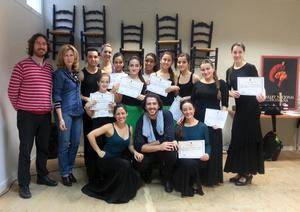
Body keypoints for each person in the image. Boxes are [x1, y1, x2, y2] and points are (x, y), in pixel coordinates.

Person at [8, 33, 57, 199]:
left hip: (45, 116)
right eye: (38, 43)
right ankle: (24, 184)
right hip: (27, 116)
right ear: (32, 46)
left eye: (44, 44)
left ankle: (42, 176)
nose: (42, 46)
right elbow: (12, 91)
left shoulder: (49, 68)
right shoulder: (21, 66)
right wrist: (21, 108)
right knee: (25, 150)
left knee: (43, 149)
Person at [81, 104, 143, 204]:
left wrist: (136, 152)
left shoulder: (129, 128)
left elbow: (130, 145)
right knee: (125, 165)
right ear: (114, 116)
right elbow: (90, 135)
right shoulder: (109, 126)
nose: (120, 116)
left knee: (136, 176)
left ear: (127, 114)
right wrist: (98, 151)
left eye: (123, 113)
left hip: (118, 159)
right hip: (106, 159)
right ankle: (119, 195)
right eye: (118, 114)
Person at [224, 42, 266, 186]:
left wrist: (262, 97)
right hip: (240, 109)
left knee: (249, 138)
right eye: (234, 52)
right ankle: (240, 170)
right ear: (231, 53)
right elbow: (227, 90)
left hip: (252, 109)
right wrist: (230, 93)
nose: (237, 55)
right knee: (237, 137)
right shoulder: (229, 71)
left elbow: (259, 88)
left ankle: (247, 173)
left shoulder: (250, 67)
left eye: (239, 52)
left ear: (243, 53)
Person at [191, 59, 229, 186]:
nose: (205, 71)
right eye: (203, 69)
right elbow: (191, 103)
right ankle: (199, 177)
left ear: (213, 69)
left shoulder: (221, 84)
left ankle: (212, 178)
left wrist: (220, 122)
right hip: (199, 120)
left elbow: (225, 106)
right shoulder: (197, 84)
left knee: (213, 147)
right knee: (200, 147)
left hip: (214, 122)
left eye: (208, 68)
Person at [53, 44, 84, 187]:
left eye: (71, 55)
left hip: (78, 112)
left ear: (75, 57)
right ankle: (64, 173)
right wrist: (59, 118)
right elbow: (56, 96)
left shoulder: (76, 73)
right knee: (64, 144)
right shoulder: (59, 74)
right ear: (62, 57)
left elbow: (77, 93)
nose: (69, 58)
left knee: (76, 144)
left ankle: (70, 169)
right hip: (65, 113)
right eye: (66, 55)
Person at [134, 93, 177, 193]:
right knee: (139, 160)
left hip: (162, 150)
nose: (152, 106)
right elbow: (138, 145)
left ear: (159, 105)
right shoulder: (141, 120)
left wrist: (148, 145)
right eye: (148, 104)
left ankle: (167, 178)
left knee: (171, 150)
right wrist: (159, 146)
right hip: (150, 152)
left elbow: (169, 137)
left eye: (154, 103)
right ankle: (147, 172)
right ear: (145, 106)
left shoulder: (167, 115)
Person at [173, 100, 211, 197]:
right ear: (182, 112)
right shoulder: (178, 126)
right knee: (187, 163)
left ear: (194, 110)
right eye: (185, 110)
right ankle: (190, 186)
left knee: (190, 164)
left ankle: (185, 186)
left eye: (190, 109)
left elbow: (208, 144)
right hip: (183, 158)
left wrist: (207, 154)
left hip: (199, 158)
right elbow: (174, 141)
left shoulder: (203, 126)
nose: (188, 111)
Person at [83, 72, 115, 183]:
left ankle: (107, 175)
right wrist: (87, 108)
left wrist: (113, 108)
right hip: (96, 123)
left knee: (107, 149)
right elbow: (91, 115)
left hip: (109, 124)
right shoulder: (93, 96)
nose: (104, 84)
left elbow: (113, 115)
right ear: (98, 83)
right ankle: (94, 176)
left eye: (107, 82)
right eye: (102, 81)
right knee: (95, 150)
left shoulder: (111, 96)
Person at [79, 48, 101, 182]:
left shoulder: (101, 73)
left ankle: (98, 166)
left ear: (98, 58)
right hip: (87, 111)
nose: (93, 59)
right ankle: (89, 167)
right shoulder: (82, 74)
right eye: (90, 57)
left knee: (99, 138)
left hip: (100, 111)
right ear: (87, 58)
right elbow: (77, 93)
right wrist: (87, 99)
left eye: (95, 57)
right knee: (88, 138)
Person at [115, 56, 146, 129]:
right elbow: (118, 101)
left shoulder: (143, 83)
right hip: (124, 113)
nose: (134, 68)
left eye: (136, 66)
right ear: (128, 67)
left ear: (140, 67)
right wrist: (118, 91)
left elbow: (147, 103)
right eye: (131, 65)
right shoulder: (123, 80)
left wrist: (144, 98)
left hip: (138, 113)